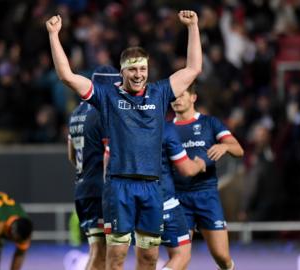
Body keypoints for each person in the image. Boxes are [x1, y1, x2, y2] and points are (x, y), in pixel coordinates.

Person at [46, 10, 202, 270]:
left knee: (149, 257)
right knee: (116, 256)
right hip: (119, 188)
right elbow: (67, 76)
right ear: (122, 72)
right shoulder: (107, 97)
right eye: (133, 69)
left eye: (143, 68)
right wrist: (54, 35)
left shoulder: (159, 92)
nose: (139, 74)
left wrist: (193, 27)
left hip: (152, 187)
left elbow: (194, 68)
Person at [170, 85, 244, 270]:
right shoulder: (166, 128)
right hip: (178, 199)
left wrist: (225, 147)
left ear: (193, 97)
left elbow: (239, 149)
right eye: (173, 96)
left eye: (181, 95)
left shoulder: (210, 123)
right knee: (181, 258)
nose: (176, 99)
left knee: (222, 257)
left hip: (207, 195)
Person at [67, 65, 120, 270]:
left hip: (83, 188)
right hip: (100, 190)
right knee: (101, 254)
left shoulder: (77, 113)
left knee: (100, 252)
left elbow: (70, 154)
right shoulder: (104, 112)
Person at [159, 122, 206, 270]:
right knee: (182, 255)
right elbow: (187, 170)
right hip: (163, 200)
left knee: (145, 261)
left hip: (133, 201)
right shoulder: (165, 128)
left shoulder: (123, 124)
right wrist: (199, 164)